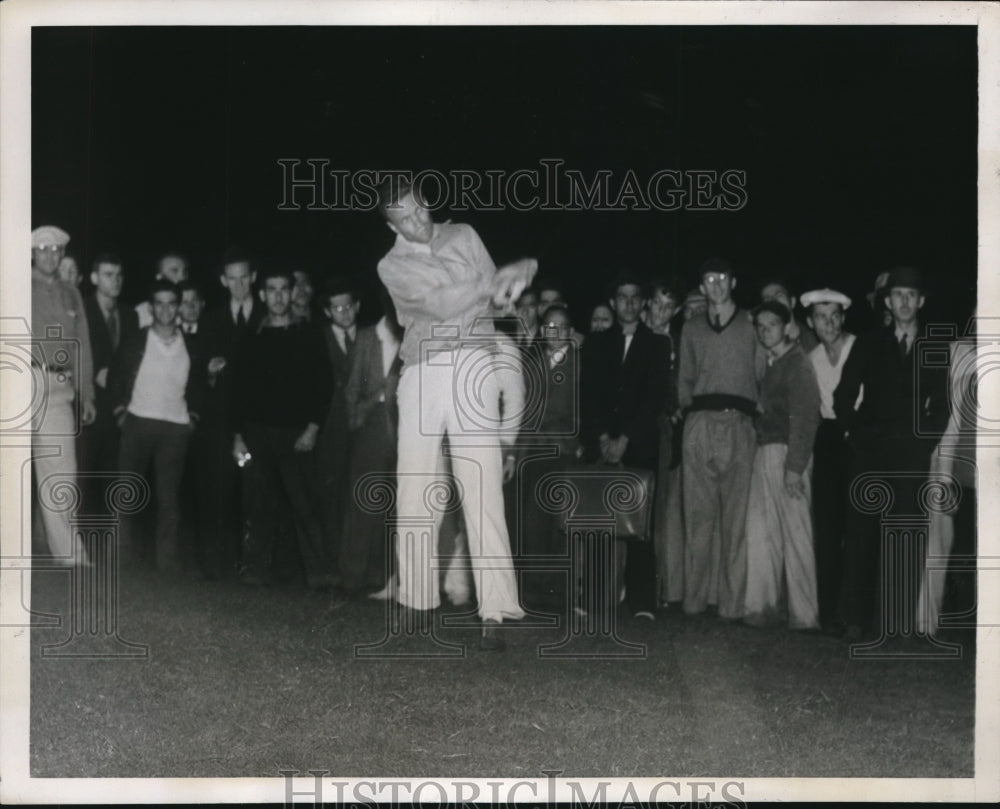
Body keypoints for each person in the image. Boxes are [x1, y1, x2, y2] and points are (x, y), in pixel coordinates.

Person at [376, 176, 534, 651]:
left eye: (418, 208)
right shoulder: (390, 265)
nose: (416, 220)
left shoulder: (463, 234)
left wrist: (504, 284)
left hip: (472, 365)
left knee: (482, 484)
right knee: (416, 488)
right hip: (422, 372)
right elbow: (441, 303)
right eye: (403, 216)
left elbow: (494, 302)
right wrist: (496, 279)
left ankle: (496, 609)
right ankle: (417, 602)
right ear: (391, 224)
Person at [833, 266, 949, 642]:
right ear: (887, 300)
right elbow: (843, 396)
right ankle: (855, 618)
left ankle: (895, 622)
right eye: (898, 294)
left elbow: (943, 405)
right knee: (862, 532)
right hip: (870, 451)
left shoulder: (933, 346)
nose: (904, 302)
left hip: (910, 455)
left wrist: (923, 442)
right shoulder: (869, 342)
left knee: (904, 535)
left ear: (921, 302)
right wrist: (856, 435)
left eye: (911, 296)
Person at [231, 267, 333, 588]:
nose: (277, 296)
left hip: (297, 433)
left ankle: (320, 573)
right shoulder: (251, 337)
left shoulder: (309, 334)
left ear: (292, 293)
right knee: (258, 504)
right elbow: (238, 389)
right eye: (271, 289)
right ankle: (255, 569)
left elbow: (324, 384)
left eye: (283, 289)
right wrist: (238, 436)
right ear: (262, 295)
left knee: (306, 505)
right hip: (258, 433)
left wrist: (313, 428)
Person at [677, 257, 766, 619]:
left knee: (735, 521)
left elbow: (760, 373)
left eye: (722, 278)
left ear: (733, 281)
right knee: (698, 519)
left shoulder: (749, 324)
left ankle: (731, 607)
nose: (715, 284)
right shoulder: (693, 328)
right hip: (699, 422)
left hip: (739, 423)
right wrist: (690, 412)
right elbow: (684, 379)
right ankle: (694, 602)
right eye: (708, 279)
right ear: (702, 287)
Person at [581, 272, 670, 619]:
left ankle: (642, 601)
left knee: (640, 524)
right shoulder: (597, 342)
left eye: (636, 297)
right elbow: (588, 395)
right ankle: (593, 598)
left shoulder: (658, 344)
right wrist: (603, 437)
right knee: (598, 521)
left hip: (640, 441)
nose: (629, 303)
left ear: (643, 302)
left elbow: (654, 398)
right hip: (602, 443)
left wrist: (626, 438)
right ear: (614, 302)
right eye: (623, 297)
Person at [109, 280, 206, 572]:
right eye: (160, 303)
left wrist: (194, 418)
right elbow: (116, 377)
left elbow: (199, 385)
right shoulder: (137, 339)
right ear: (151, 308)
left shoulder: (190, 343)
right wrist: (120, 414)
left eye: (171, 303)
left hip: (175, 429)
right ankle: (121, 559)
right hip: (138, 422)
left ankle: (167, 563)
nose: (166, 309)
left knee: (169, 499)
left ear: (178, 307)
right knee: (127, 493)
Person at [743, 300, 821, 629]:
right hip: (767, 452)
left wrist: (794, 468)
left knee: (797, 535)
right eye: (759, 326)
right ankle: (762, 609)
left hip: (789, 454)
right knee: (761, 532)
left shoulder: (798, 363)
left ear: (788, 327)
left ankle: (805, 617)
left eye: (771, 324)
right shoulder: (772, 363)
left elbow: (805, 419)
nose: (764, 331)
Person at [30, 225, 96, 567]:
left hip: (58, 387)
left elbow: (81, 345)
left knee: (62, 474)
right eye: (43, 249)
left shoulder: (71, 294)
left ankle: (70, 556)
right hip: (20, 380)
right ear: (32, 252)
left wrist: (86, 395)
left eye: (56, 251)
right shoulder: (16, 284)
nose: (50, 256)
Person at [200, 249, 264, 579]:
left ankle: (255, 564)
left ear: (253, 277)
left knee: (258, 492)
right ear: (223, 281)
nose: (238, 285)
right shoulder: (211, 319)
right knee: (221, 491)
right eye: (231, 279)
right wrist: (209, 372)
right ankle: (220, 564)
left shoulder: (268, 314)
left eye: (244, 277)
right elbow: (199, 373)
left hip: (260, 418)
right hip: (222, 421)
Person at [801, 287, 858, 635]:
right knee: (827, 526)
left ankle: (854, 611)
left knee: (857, 527)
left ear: (843, 317)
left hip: (859, 438)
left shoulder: (859, 347)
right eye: (821, 317)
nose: (829, 323)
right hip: (828, 440)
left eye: (835, 315)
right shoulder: (811, 360)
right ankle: (828, 612)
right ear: (811, 322)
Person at [338, 300, 403, 596]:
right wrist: (355, 423)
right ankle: (353, 576)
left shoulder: (411, 335)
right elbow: (352, 385)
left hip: (403, 424)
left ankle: (385, 577)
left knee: (395, 504)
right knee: (365, 499)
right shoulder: (367, 336)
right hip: (371, 423)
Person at [79, 253, 138, 515]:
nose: (115, 281)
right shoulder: (81, 309)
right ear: (94, 278)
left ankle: (110, 546)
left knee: (113, 483)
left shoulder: (130, 315)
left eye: (119, 275)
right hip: (88, 409)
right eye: (108, 275)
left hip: (119, 413)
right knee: (82, 481)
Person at [317, 275, 361, 583]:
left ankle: (356, 566)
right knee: (329, 496)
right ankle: (330, 565)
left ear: (357, 307)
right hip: (329, 430)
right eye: (336, 308)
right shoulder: (319, 339)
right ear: (327, 312)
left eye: (348, 306)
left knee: (359, 496)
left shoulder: (371, 338)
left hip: (362, 430)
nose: (343, 312)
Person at [760, 278, 819, 354]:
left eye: (779, 295)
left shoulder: (814, 341)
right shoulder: (760, 345)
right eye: (767, 299)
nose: (773, 301)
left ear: (792, 302)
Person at [135, 251, 189, 328]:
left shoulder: (195, 309)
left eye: (185, 272)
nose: (182, 277)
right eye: (174, 271)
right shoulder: (143, 312)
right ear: (159, 277)